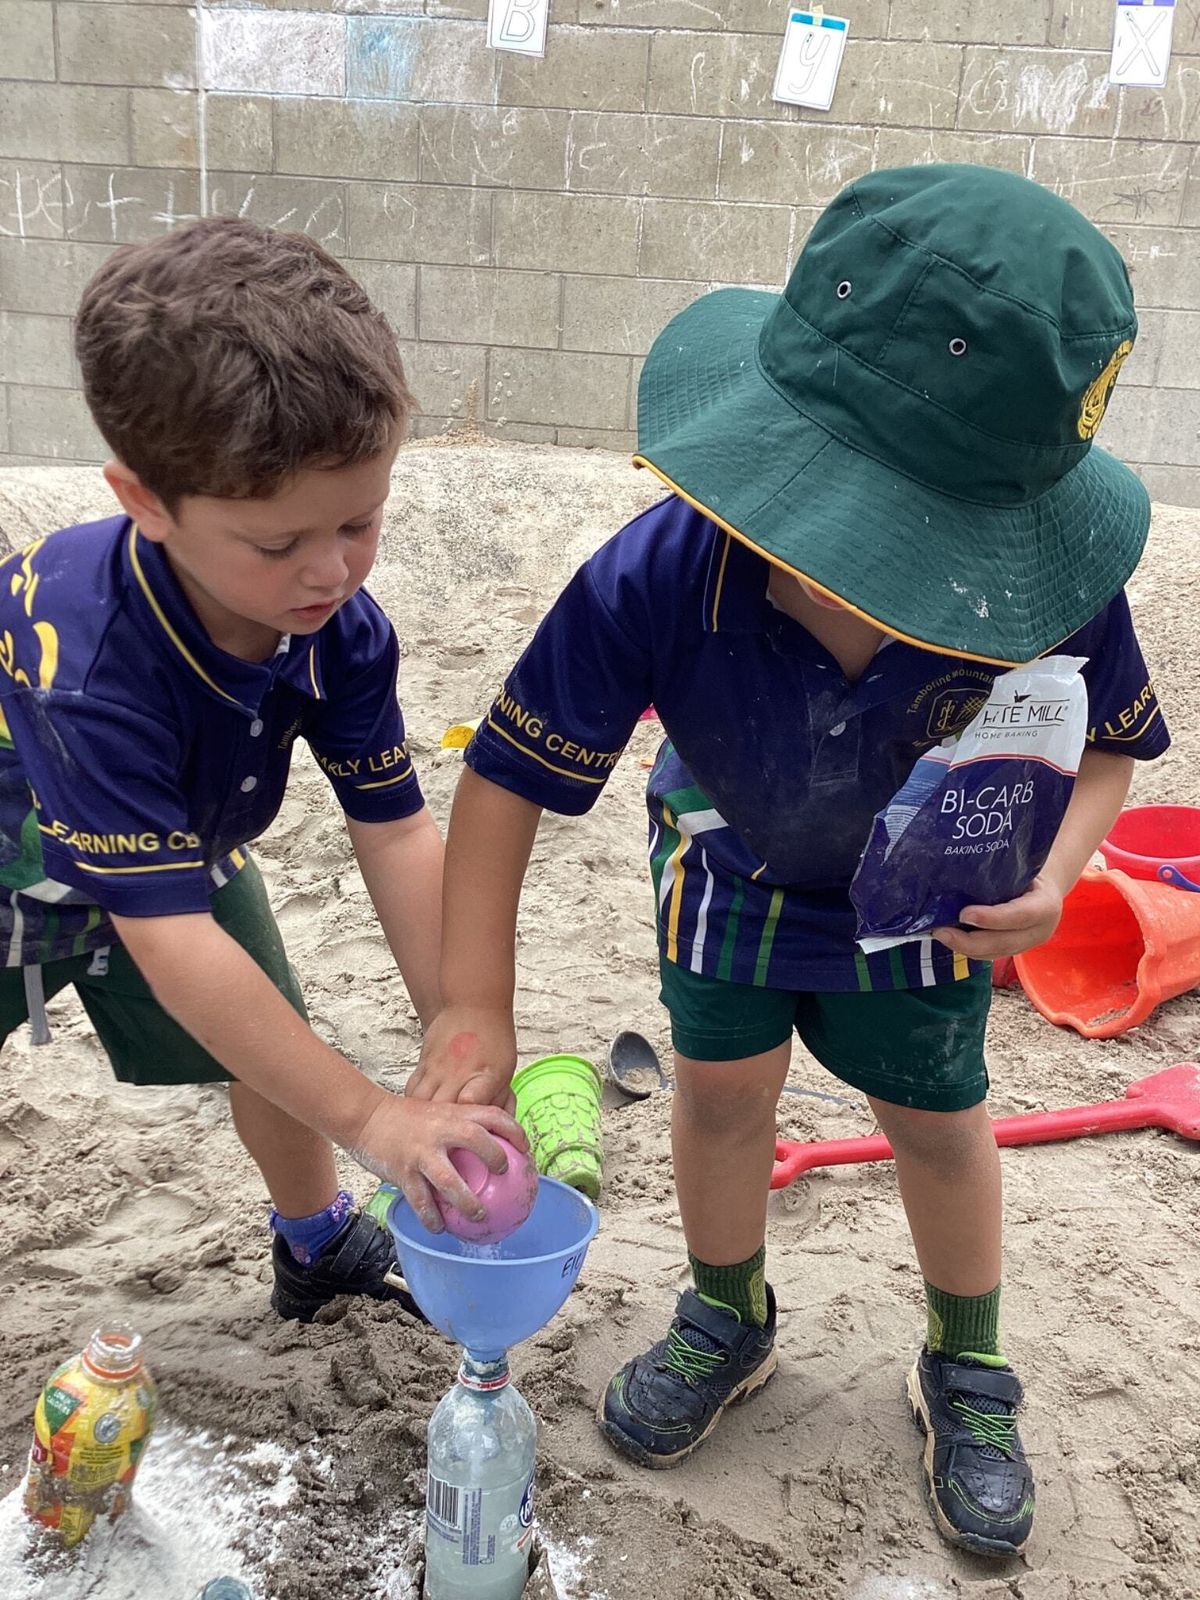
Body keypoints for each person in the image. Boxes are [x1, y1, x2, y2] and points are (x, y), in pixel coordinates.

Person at [409, 165, 1170, 1557]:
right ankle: (727, 1312)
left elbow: (1111, 744)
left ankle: (967, 1359)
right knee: (719, 1097)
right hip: (728, 866)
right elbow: (507, 775)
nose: (871, 577)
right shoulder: (660, 570)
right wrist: (475, 1008)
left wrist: (1059, 880)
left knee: (937, 1118)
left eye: (926, 549)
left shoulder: (1047, 589)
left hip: (931, 894)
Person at [0, 218, 524, 1324]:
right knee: (257, 1022)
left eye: (360, 521)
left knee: (270, 1037)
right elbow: (170, 939)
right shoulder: (90, 664)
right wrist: (379, 1121)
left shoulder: (342, 632)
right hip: (19, 844)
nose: (330, 571)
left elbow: (393, 828)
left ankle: (315, 1237)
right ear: (145, 500)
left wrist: (458, 1019)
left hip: (180, 839)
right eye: (279, 544)